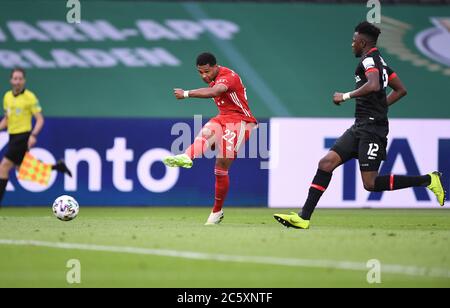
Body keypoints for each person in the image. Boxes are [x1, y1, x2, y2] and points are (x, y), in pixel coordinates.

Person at [274, 22, 446, 229]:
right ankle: (304, 217)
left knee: (370, 184)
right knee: (326, 163)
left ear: (363, 42)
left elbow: (374, 85)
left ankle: (427, 180)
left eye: (354, 41)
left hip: (373, 130)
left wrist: (345, 96)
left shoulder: (370, 61)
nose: (352, 44)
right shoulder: (380, 61)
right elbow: (400, 90)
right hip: (361, 126)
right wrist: (381, 107)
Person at [163, 52, 257, 225]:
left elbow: (215, 91)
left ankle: (216, 211)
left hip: (241, 121)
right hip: (223, 117)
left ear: (215, 66)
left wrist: (186, 94)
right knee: (206, 133)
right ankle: (186, 156)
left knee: (221, 165)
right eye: (200, 72)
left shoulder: (228, 77)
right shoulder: (213, 78)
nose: (204, 76)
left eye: (207, 71)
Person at [0, 68, 72, 206]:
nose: (17, 82)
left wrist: (33, 135)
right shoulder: (7, 96)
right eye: (15, 78)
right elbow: (7, 119)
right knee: (21, 169)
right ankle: (58, 167)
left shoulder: (30, 97)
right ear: (11, 80)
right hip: (12, 136)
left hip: (23, 136)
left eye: (20, 79)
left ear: (24, 81)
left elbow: (40, 119)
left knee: (3, 167)